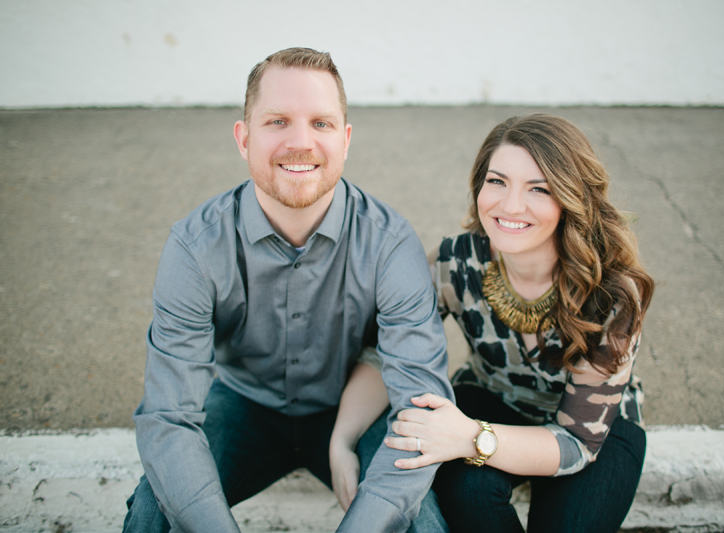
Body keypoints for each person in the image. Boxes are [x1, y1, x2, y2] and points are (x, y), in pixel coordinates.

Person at [122, 47, 454, 533]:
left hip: (352, 410)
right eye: (278, 121)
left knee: (421, 523)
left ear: (344, 139)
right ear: (244, 138)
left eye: (320, 124)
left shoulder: (391, 243)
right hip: (242, 407)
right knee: (152, 512)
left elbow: (420, 409)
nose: (301, 142)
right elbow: (169, 419)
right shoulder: (195, 248)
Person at [383, 114, 655, 532]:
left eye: (539, 189)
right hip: (492, 396)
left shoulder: (612, 296)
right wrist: (342, 442)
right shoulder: (455, 263)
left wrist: (472, 438)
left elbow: (579, 443)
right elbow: (386, 346)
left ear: (570, 199)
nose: (510, 206)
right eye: (497, 181)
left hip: (593, 428)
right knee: (467, 494)